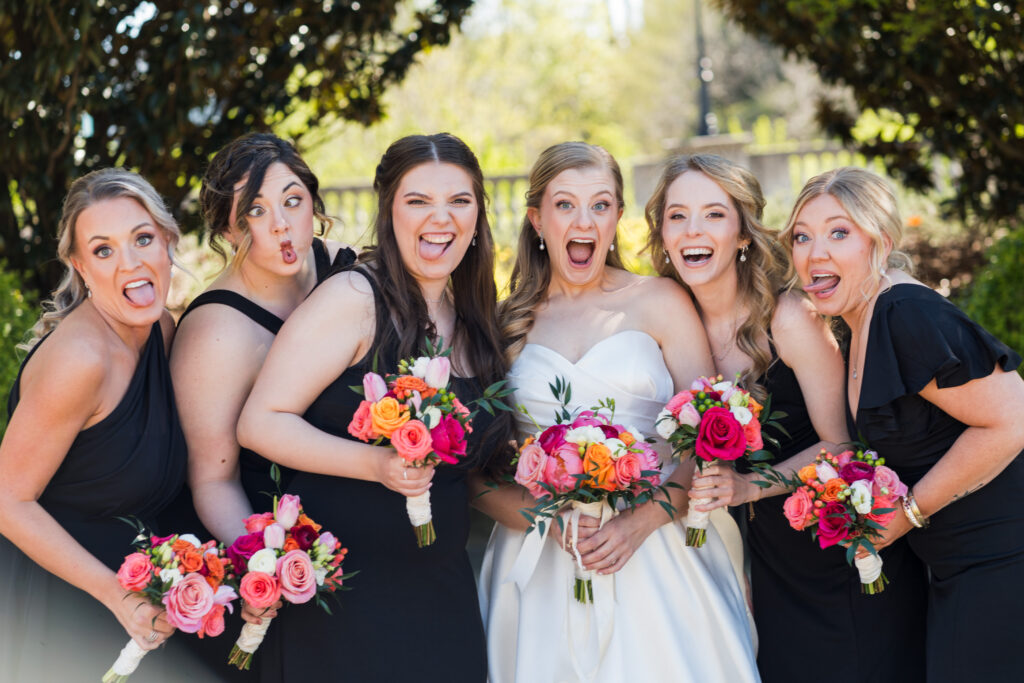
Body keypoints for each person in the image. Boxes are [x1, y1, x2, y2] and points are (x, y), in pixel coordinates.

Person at [236, 133, 514, 682]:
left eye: (459, 201)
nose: (442, 219)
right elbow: (260, 423)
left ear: (479, 216)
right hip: (351, 606)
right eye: (418, 201)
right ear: (388, 213)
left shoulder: (476, 320)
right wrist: (377, 466)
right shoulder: (355, 299)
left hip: (443, 600)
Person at [476, 142, 758, 683]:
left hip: (656, 546)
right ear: (537, 219)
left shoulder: (661, 301)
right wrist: (543, 517)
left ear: (618, 219)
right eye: (565, 205)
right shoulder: (505, 322)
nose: (584, 221)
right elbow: (479, 469)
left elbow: (706, 441)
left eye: (601, 205)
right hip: (541, 558)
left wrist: (641, 522)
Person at [644, 154, 928, 682]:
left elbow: (843, 447)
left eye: (714, 214)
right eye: (677, 216)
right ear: (661, 233)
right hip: (766, 562)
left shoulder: (789, 317)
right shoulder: (661, 322)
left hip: (837, 545)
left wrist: (749, 487)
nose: (693, 231)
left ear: (744, 233)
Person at [784, 166, 1024, 683]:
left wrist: (910, 512)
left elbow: (1015, 420)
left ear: (881, 241)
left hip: (1003, 560)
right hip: (956, 566)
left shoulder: (904, 312)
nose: (814, 252)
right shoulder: (860, 321)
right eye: (802, 236)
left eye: (839, 232)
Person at [0, 169, 218, 681]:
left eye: (142, 239)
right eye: (103, 250)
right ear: (79, 266)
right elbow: (7, 501)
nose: (131, 264)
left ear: (167, 240)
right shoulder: (81, 360)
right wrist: (116, 595)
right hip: (58, 607)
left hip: (136, 604)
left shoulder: (161, 329)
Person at [170, 133, 356, 675]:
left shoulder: (342, 274)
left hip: (366, 519)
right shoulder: (215, 334)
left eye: (293, 201)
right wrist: (271, 564)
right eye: (256, 210)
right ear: (229, 230)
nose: (281, 224)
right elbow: (212, 480)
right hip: (286, 553)